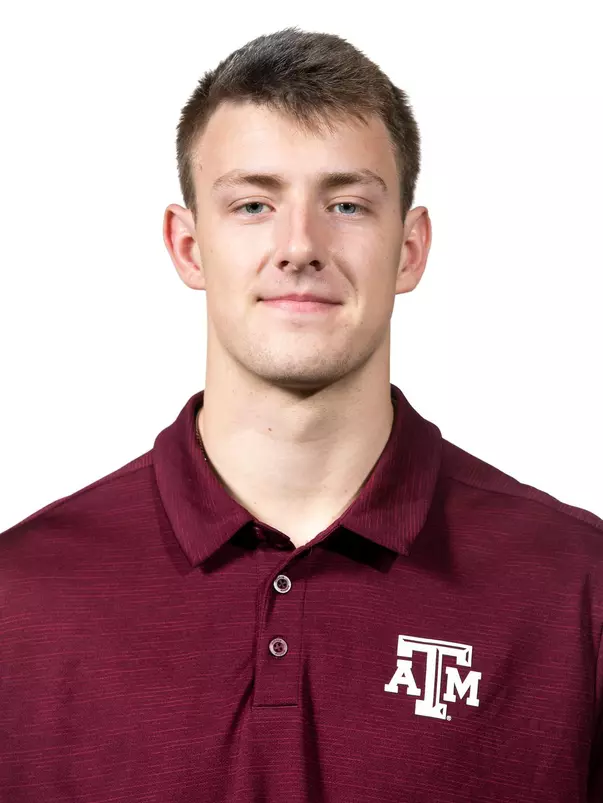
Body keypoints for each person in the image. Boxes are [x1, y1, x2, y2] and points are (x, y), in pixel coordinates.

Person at [1, 25, 601, 803]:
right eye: (253, 203)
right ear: (187, 247)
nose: (299, 246)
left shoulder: (576, 590)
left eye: (345, 203)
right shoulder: (20, 600)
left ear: (410, 249)